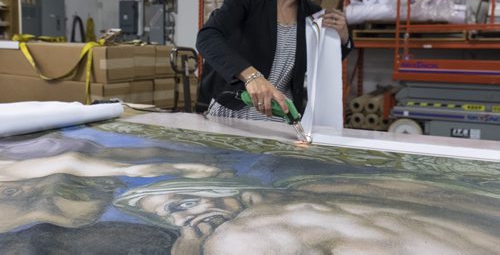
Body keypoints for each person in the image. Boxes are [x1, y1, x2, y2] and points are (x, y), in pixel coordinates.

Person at [113, 175, 500, 255]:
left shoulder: (242, 237)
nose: (184, 221)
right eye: (171, 221)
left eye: (179, 207)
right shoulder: (321, 186)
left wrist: (193, 241)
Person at [196, 0, 354, 121]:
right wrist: (252, 76)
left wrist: (343, 39)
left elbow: (321, 67)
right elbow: (207, 36)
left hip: (282, 123)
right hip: (233, 115)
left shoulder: (311, 14)